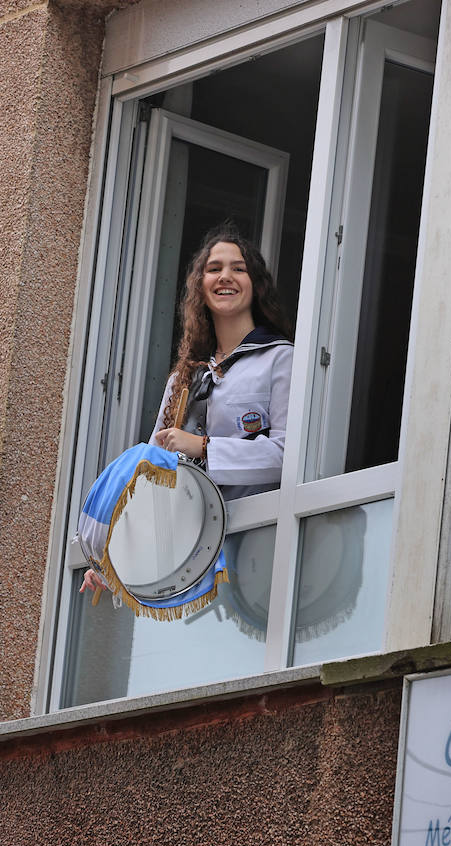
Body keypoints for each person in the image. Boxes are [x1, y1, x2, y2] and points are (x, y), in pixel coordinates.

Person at [82, 225, 294, 597]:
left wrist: (204, 446)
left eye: (238, 268)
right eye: (214, 268)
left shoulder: (280, 359)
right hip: (186, 559)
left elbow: (286, 456)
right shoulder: (183, 378)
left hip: (258, 547)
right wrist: (110, 560)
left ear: (255, 283)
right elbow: (149, 481)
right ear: (200, 285)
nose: (225, 276)